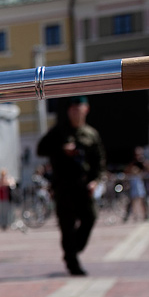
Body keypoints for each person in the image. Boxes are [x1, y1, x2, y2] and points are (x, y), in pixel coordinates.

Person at [37, 96, 106, 276]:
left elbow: (99, 161)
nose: (75, 111)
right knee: (67, 226)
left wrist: (95, 181)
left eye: (79, 107)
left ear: (86, 109)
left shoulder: (91, 134)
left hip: (83, 186)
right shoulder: (58, 131)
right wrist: (61, 149)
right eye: (72, 108)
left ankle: (73, 250)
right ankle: (72, 262)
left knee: (90, 217)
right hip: (63, 187)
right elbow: (40, 149)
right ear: (69, 111)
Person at [123, 146, 149, 222]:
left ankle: (147, 215)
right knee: (131, 200)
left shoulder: (145, 162)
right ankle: (126, 215)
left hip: (143, 183)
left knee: (144, 200)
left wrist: (145, 164)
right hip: (134, 184)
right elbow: (127, 171)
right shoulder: (133, 163)